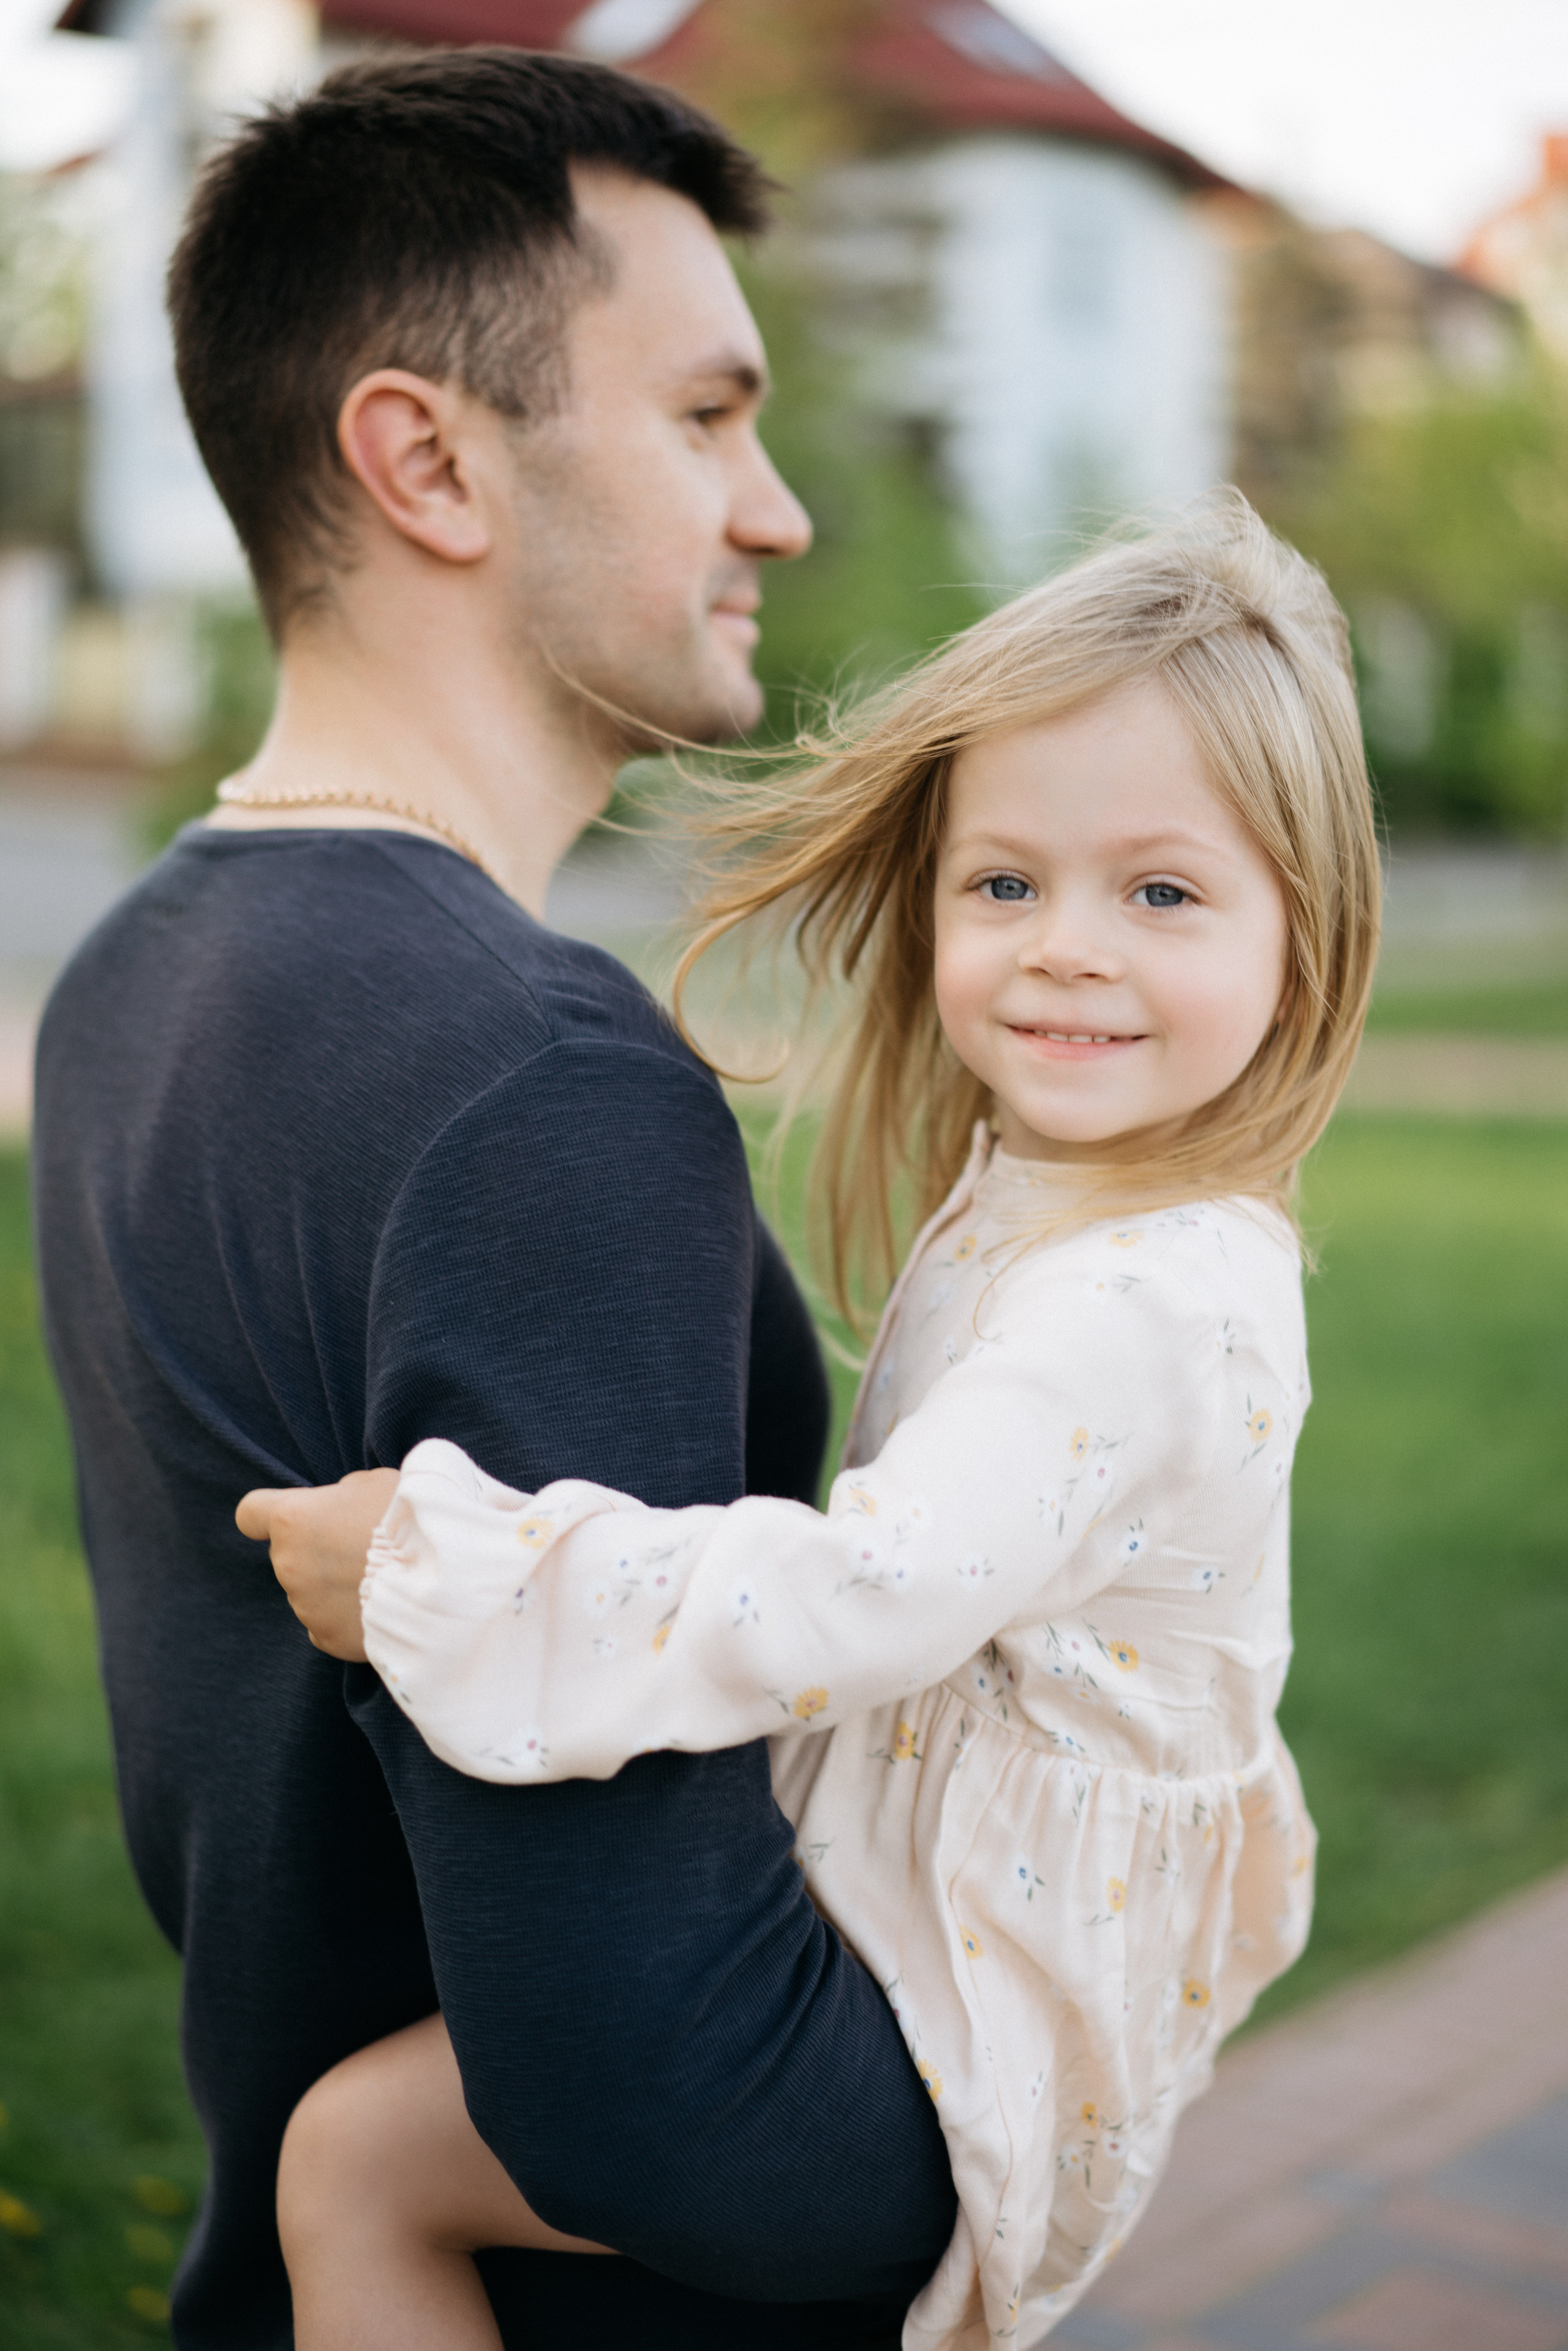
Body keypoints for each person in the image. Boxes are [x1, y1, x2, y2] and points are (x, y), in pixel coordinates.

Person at [31, 49, 959, 2351]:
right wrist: (1042, 2112)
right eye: (708, 417)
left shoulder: (134, 973)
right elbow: (655, 2106)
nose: (781, 512)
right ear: (426, 455)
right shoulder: (538, 1081)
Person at [248, 494, 1381, 2351]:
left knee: (353, 2164)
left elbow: (863, 1596)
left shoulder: (1141, 1300)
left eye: (1162, 891)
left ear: (1305, 936)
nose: (1067, 948)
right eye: (1005, 883)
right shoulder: (1086, 1207)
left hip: (938, 2071)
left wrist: (439, 1578)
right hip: (953, 1985)